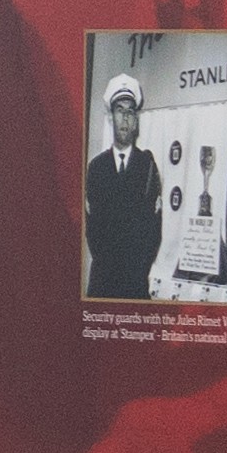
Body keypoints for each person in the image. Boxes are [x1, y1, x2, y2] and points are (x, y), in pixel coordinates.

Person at [81, 77, 166, 301]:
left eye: (130, 112)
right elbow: (94, 232)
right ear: (111, 118)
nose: (125, 118)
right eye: (120, 111)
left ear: (136, 120)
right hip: (102, 284)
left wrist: (136, 270)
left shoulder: (147, 166)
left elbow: (153, 232)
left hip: (135, 285)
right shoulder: (96, 168)